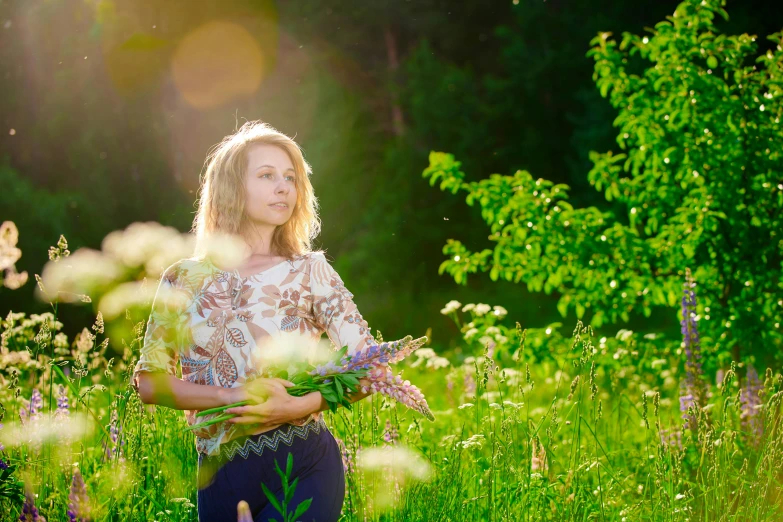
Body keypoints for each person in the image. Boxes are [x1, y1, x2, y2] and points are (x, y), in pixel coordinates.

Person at [130, 120, 426, 522]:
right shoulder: (182, 279)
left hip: (305, 460)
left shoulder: (311, 271)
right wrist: (232, 398)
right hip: (219, 475)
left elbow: (369, 364)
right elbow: (149, 383)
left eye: (291, 178)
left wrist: (297, 406)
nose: (284, 187)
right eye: (267, 176)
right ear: (231, 187)